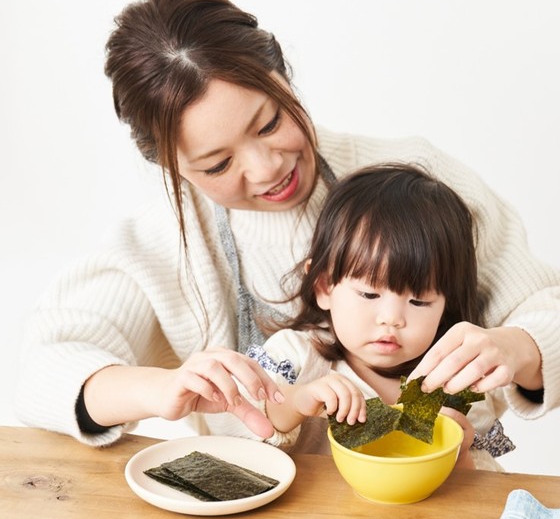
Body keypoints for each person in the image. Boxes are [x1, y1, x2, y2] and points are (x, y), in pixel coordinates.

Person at [14, 0, 560, 449]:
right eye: (217, 164)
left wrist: (515, 347)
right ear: (174, 170)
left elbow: (559, 319)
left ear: (283, 75)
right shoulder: (165, 240)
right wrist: (160, 388)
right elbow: (41, 370)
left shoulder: (415, 177)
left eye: (269, 123)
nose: (267, 168)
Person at [212, 163, 514, 470]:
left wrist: (457, 451)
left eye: (419, 301)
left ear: (445, 305)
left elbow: (479, 492)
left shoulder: (453, 378)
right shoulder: (299, 356)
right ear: (324, 286)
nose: (392, 319)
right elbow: (242, 425)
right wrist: (298, 401)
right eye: (370, 294)